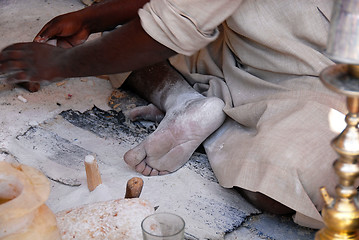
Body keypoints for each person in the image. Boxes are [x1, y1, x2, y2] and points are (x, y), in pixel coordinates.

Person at [0, 0, 345, 228]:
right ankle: (187, 104)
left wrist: (60, 64)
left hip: (325, 83)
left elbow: (166, 28)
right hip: (245, 50)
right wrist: (94, 16)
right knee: (123, 40)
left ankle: (203, 118)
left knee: (292, 185)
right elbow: (175, 9)